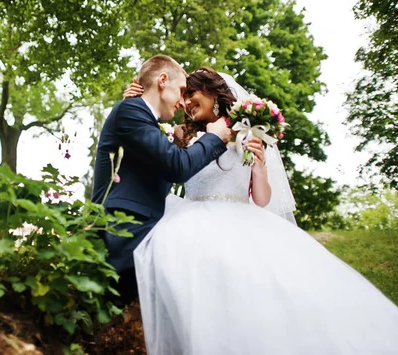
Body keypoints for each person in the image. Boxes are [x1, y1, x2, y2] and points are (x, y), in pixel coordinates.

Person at [125, 67, 398, 354]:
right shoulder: (181, 134)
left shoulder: (245, 134)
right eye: (184, 96)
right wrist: (136, 101)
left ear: (212, 93)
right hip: (189, 216)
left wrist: (259, 163)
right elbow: (151, 151)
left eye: (191, 93)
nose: (187, 101)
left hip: (241, 219)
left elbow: (262, 199)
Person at [91, 56, 231, 306]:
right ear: (162, 80)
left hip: (140, 226)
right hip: (125, 228)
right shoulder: (130, 110)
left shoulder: (142, 118)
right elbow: (177, 167)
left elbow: (163, 169)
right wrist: (214, 139)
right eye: (181, 91)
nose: (182, 102)